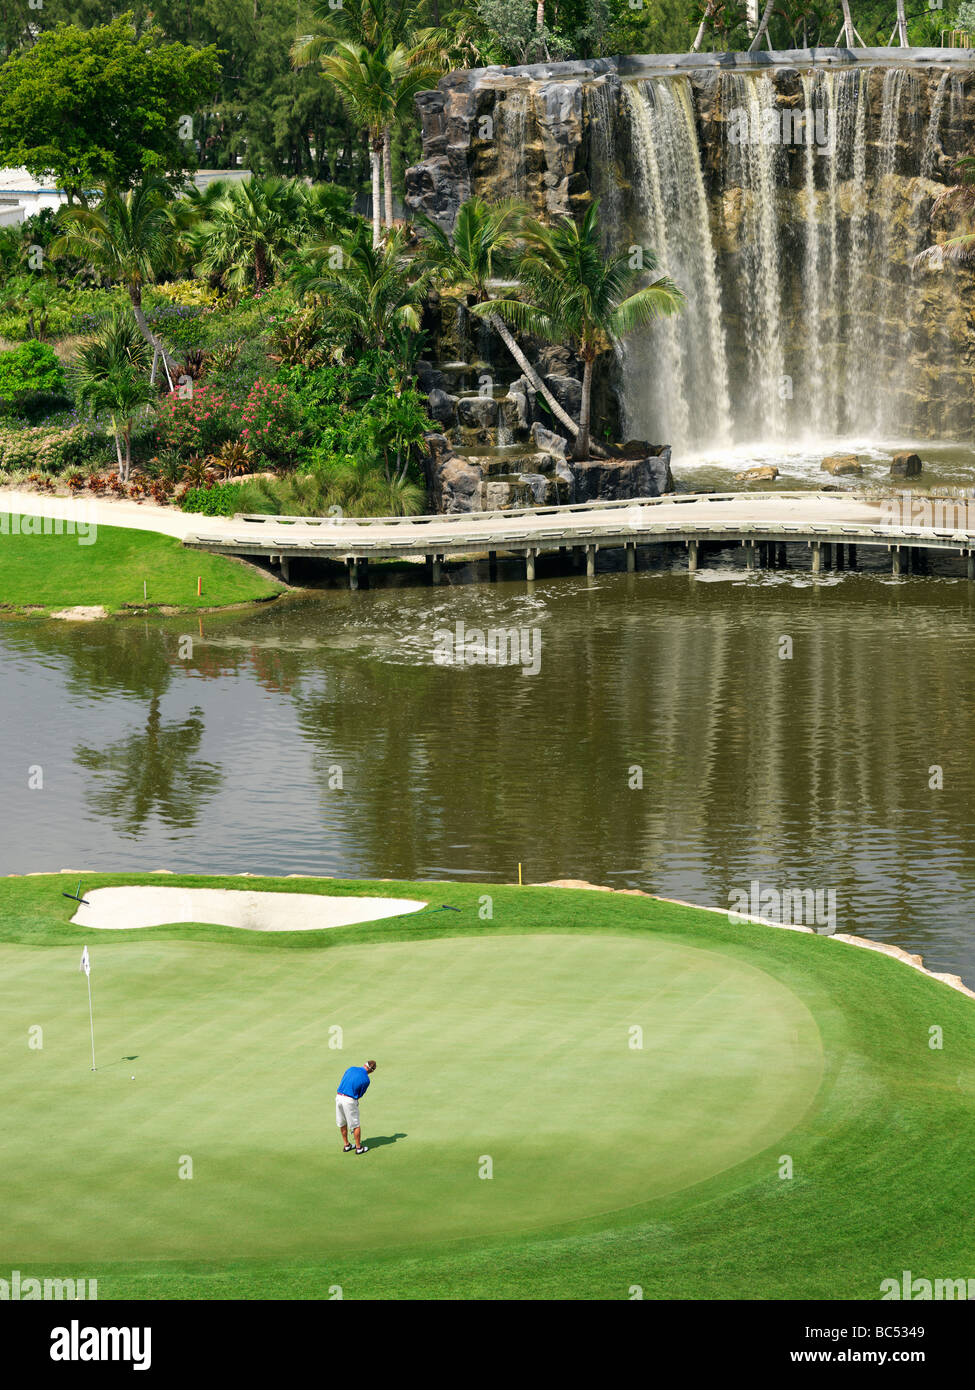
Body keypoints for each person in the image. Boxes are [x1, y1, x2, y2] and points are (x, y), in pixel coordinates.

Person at [336, 1060, 376, 1155]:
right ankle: (358, 1148)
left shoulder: (351, 1068)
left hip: (338, 1097)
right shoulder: (366, 1079)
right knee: (355, 1124)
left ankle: (347, 1145)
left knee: (342, 1122)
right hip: (349, 1100)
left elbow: (343, 1079)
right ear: (371, 1071)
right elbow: (359, 1094)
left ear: (364, 1064)